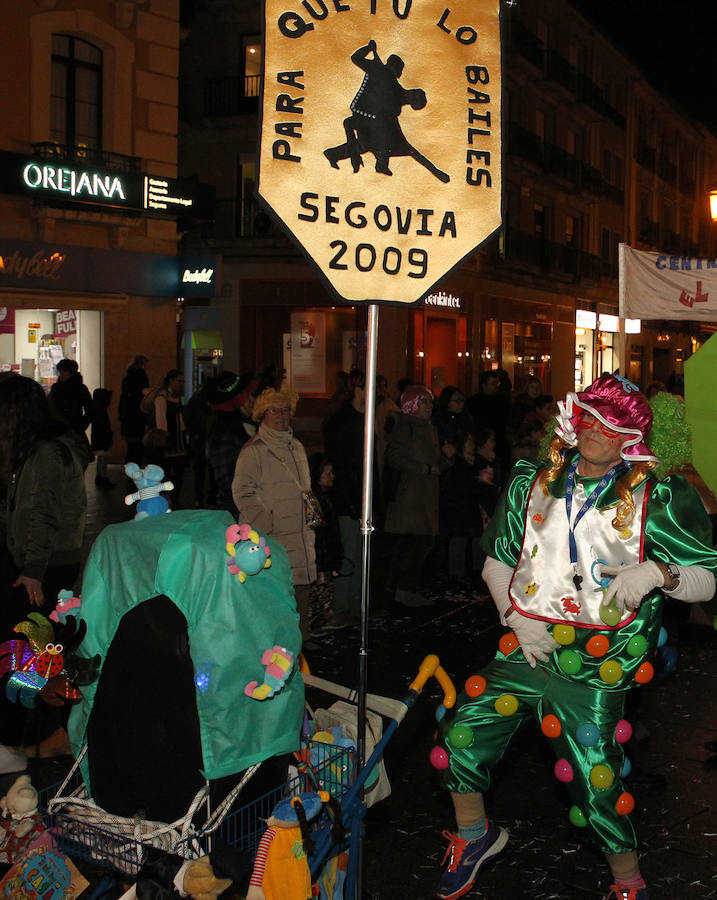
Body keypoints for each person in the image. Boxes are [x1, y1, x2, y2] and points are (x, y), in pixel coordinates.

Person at [434, 374, 717, 900]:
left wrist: (658, 574)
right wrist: (517, 619)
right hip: (527, 644)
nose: (598, 431)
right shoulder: (531, 480)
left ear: (632, 441)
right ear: (573, 419)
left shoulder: (657, 496)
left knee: (596, 786)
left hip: (596, 662)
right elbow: (498, 561)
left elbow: (708, 576)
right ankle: (474, 837)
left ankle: (628, 883)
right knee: (458, 739)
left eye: (614, 425)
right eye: (591, 416)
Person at [0, 374, 90, 773]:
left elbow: (41, 514)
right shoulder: (45, 449)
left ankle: (32, 737)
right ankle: (35, 736)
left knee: (31, 651)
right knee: (40, 651)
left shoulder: (46, 454)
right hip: (45, 567)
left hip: (44, 569)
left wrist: (33, 571)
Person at [232, 387, 316, 645]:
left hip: (300, 532)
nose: (280, 415)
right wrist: (265, 522)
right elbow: (242, 492)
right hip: (273, 536)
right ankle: (276, 644)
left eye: (284, 410)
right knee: (276, 590)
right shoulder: (255, 450)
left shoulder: (297, 446)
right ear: (261, 414)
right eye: (273, 410)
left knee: (300, 587)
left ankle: (300, 639)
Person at [384, 385, 451, 608]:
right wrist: (423, 468)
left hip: (426, 492)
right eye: (424, 402)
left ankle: (404, 588)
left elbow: (437, 462)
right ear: (413, 405)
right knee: (415, 541)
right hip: (410, 494)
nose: (429, 407)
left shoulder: (429, 428)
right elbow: (394, 455)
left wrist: (445, 458)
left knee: (423, 542)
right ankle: (401, 589)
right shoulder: (405, 426)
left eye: (431, 402)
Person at [323, 369, 367, 628]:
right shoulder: (343, 422)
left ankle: (356, 605)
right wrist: (351, 501)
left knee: (361, 555)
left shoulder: (364, 419)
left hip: (361, 498)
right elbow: (344, 464)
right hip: (349, 500)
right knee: (349, 554)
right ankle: (342, 607)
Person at [206, 372, 258, 516]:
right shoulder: (224, 432)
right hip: (236, 509)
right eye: (249, 396)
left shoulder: (252, 425)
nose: (253, 401)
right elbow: (226, 478)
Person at [308, 454, 343, 633]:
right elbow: (319, 530)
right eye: (327, 473)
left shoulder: (325, 497)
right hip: (320, 556)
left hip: (325, 554)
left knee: (324, 590)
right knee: (319, 593)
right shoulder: (313, 498)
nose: (332, 477)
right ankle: (315, 624)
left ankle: (321, 620)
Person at [145, 369, 187, 506]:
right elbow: (161, 422)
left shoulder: (175, 398)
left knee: (177, 474)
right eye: (179, 381)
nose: (181, 384)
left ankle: (174, 500)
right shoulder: (162, 398)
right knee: (167, 474)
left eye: (183, 381)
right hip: (167, 444)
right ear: (171, 380)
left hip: (176, 442)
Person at [48, 358, 94, 436]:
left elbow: (90, 410)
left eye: (64, 371)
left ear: (71, 373)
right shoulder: (56, 388)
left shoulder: (80, 389)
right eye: (60, 372)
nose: (61, 374)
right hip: (57, 428)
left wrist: (81, 425)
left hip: (74, 428)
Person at [118, 355, 149, 465]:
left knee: (131, 448)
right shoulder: (141, 376)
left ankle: (130, 471)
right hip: (137, 417)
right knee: (138, 447)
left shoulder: (127, 377)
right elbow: (144, 394)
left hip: (127, 417)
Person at [90, 387, 114, 489]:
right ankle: (102, 478)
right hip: (102, 440)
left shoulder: (96, 410)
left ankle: (101, 477)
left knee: (101, 459)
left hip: (99, 439)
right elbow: (104, 427)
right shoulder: (101, 411)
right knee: (102, 459)